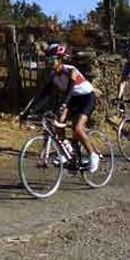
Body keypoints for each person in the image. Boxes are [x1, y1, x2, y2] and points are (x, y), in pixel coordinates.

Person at [37, 43, 100, 173]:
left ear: (60, 59)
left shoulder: (71, 70)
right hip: (72, 98)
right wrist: (27, 111)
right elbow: (43, 94)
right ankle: (66, 150)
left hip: (87, 97)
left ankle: (93, 155)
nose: (49, 63)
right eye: (47, 60)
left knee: (77, 128)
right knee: (58, 122)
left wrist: (64, 104)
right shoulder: (52, 75)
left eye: (52, 60)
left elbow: (70, 90)